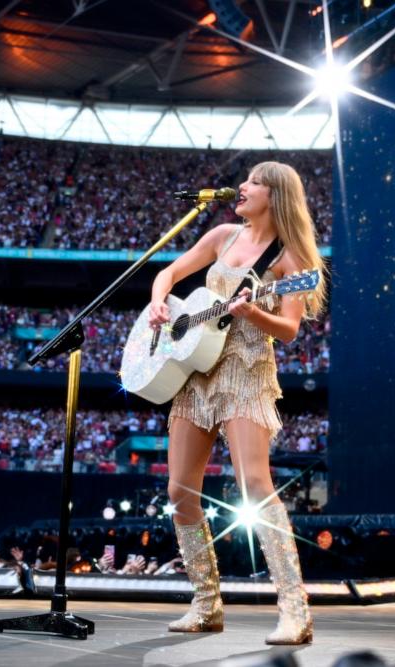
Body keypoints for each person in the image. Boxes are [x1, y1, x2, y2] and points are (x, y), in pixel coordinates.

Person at [148, 161, 327, 644]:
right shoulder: (223, 234)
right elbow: (168, 271)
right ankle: (206, 605)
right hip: (195, 371)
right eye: (245, 180)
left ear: (276, 194)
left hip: (246, 371)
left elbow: (289, 329)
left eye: (253, 182)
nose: (242, 187)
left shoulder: (290, 260)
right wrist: (160, 301)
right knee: (180, 492)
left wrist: (253, 311)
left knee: (254, 484)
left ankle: (295, 611)